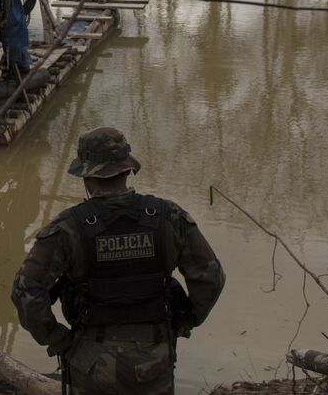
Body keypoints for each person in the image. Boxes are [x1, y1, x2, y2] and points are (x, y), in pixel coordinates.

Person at [11, 127, 224, 395]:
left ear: (87, 177)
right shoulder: (168, 216)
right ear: (126, 170)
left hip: (90, 362)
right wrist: (185, 322)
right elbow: (211, 279)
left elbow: (25, 289)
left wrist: (59, 340)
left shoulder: (69, 227)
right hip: (154, 359)